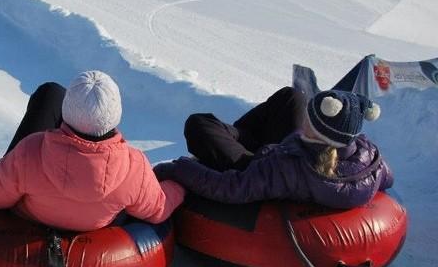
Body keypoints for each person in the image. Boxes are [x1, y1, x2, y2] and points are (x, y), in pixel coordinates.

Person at [0, 71, 185, 232]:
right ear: (116, 112)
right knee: (51, 93)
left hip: (33, 219)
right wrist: (179, 182)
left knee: (50, 93)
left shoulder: (30, 150)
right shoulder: (135, 166)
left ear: (66, 110)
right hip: (92, 225)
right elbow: (158, 209)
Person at [153, 88, 393, 209]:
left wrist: (176, 169)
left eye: (308, 119)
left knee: (198, 124)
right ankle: (233, 139)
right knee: (292, 96)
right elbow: (387, 179)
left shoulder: (287, 169)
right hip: (293, 150)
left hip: (257, 167)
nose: (303, 120)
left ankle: (228, 143)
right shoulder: (369, 157)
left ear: (314, 130)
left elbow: (230, 188)